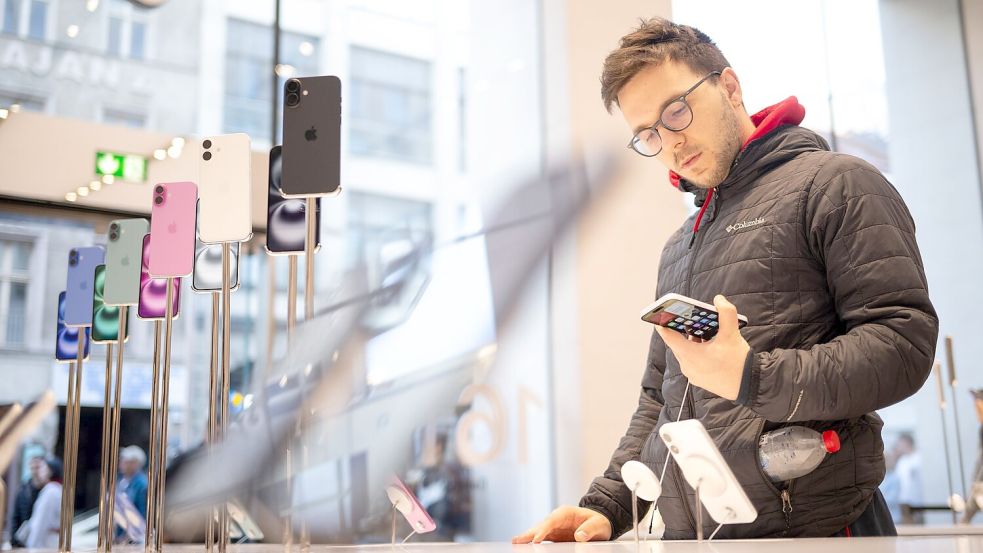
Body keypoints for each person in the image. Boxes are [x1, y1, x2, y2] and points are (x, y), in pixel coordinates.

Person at [514, 16, 938, 542]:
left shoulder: (837, 184)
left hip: (823, 527)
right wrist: (611, 504)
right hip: (700, 534)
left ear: (729, 86)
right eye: (647, 133)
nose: (669, 141)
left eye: (676, 110)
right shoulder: (681, 245)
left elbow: (903, 344)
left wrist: (752, 375)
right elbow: (661, 399)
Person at [23, 456, 62, 549]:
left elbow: (40, 523)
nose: (40, 471)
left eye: (43, 468)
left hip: (45, 544)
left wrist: (31, 545)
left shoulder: (50, 491)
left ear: (50, 471)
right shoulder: (56, 488)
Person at [11, 455, 45, 548]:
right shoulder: (23, 490)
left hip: (41, 541)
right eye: (33, 468)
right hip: (24, 539)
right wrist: (14, 541)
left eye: (37, 467)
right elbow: (15, 516)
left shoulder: (48, 490)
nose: (35, 471)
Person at [117, 446, 149, 523]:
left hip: (132, 532)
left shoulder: (142, 484)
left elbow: (142, 513)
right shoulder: (121, 480)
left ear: (135, 464)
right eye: (121, 459)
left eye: (126, 461)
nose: (121, 463)